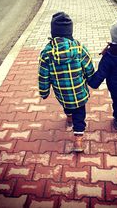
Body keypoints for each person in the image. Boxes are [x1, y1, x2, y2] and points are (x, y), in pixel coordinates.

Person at [38, 12, 95, 152]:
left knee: (68, 106)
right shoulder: (79, 48)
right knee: (80, 114)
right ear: (70, 31)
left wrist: (44, 92)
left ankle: (69, 117)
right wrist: (92, 79)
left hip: (62, 93)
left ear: (53, 32)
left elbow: (43, 75)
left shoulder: (47, 53)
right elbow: (89, 67)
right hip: (79, 91)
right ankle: (78, 140)